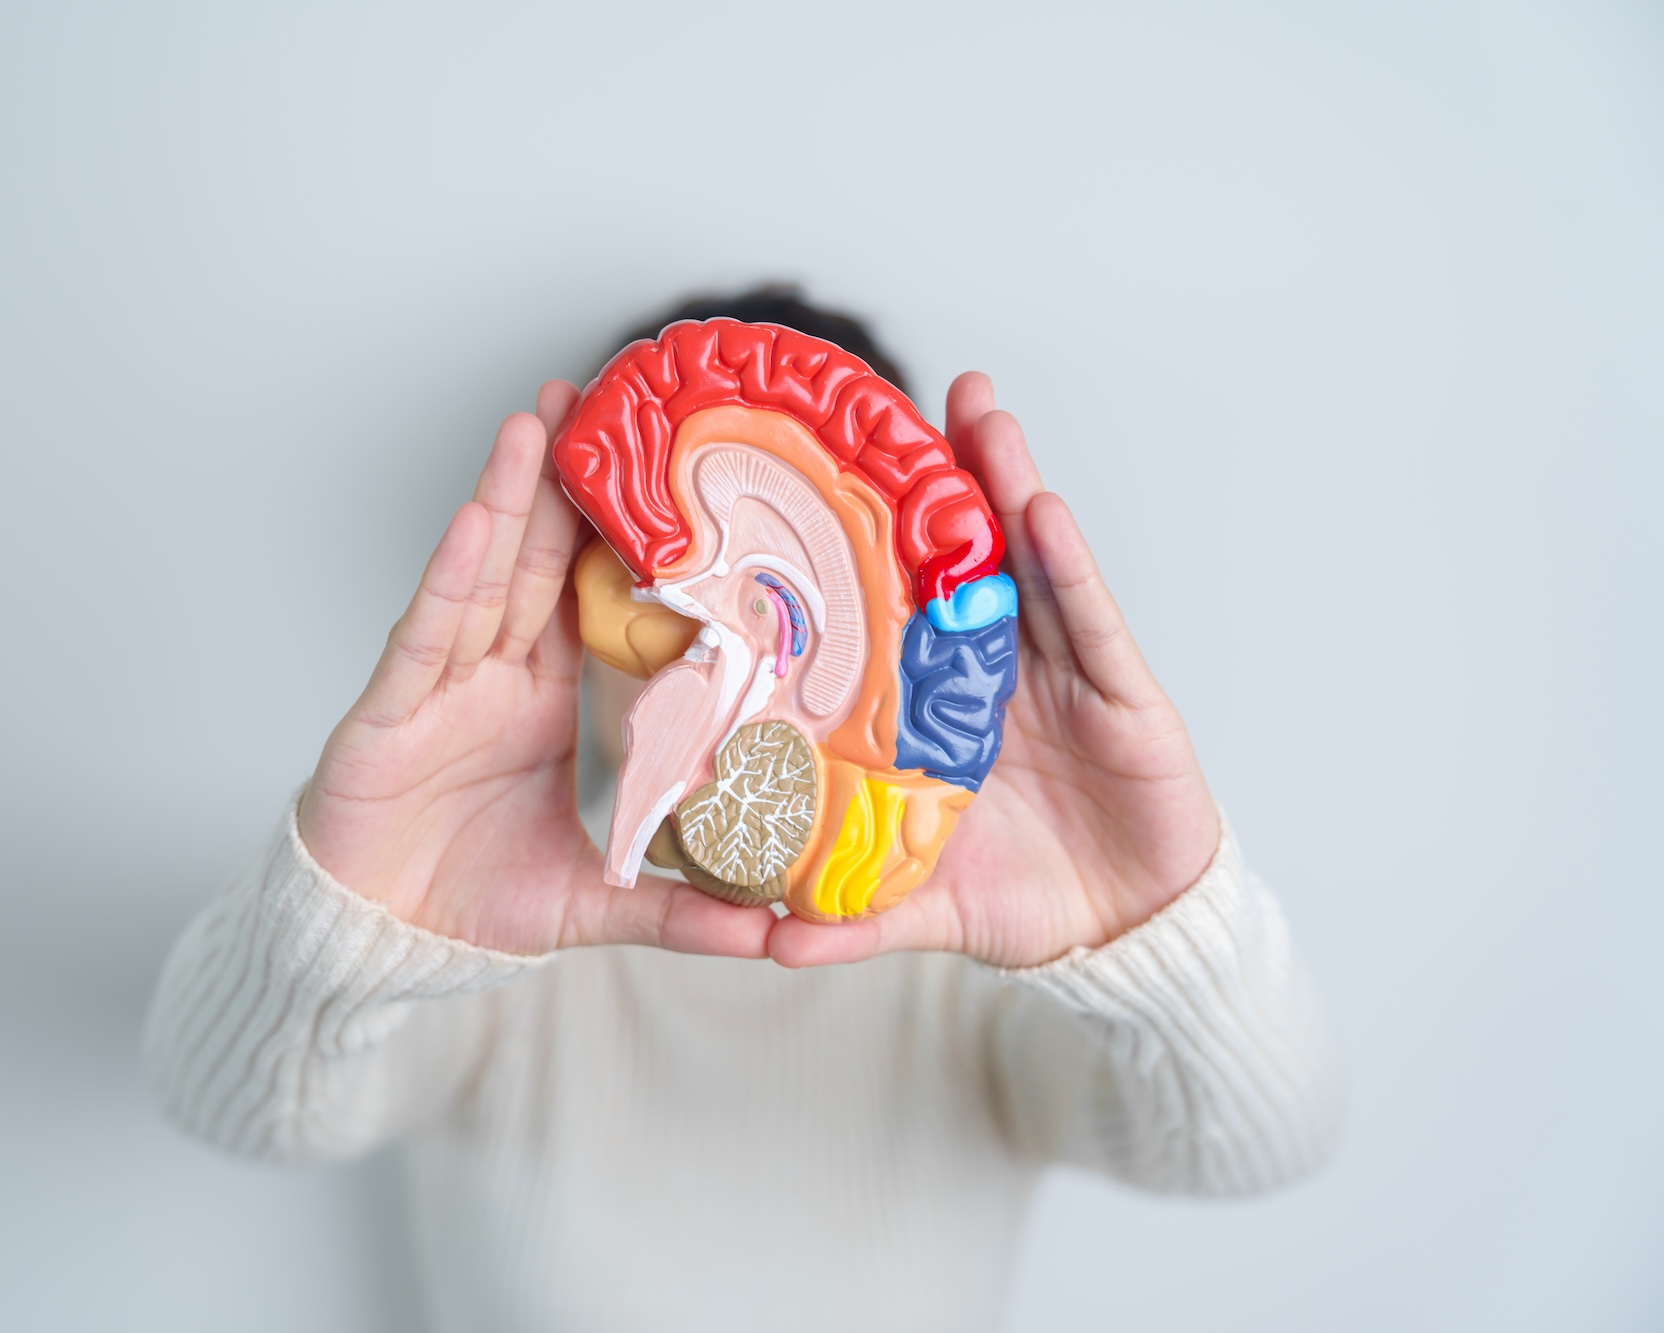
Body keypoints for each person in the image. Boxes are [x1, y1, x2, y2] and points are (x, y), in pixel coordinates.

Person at [142, 288, 1343, 1332]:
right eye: (642, 595)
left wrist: (1153, 931)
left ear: (900, 626)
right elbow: (228, 1106)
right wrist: (349, 925)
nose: (700, 659)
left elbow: (1259, 1146)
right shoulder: (493, 935)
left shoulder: (975, 960)